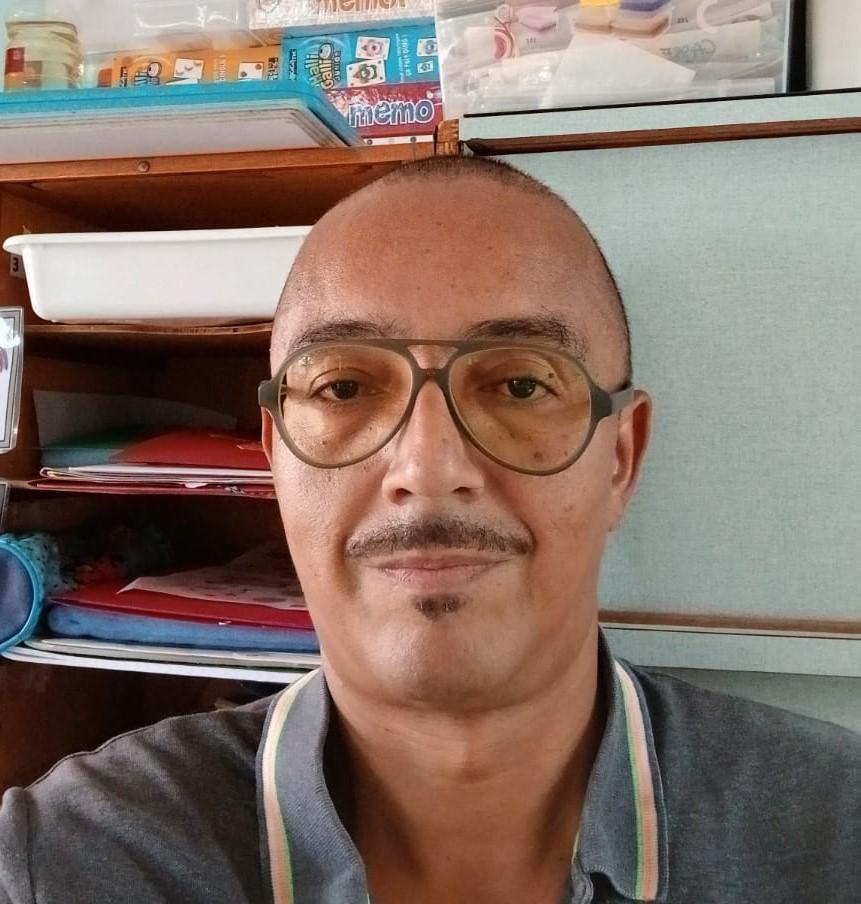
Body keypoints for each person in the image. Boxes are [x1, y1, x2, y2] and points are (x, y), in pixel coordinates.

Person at [0, 156, 858, 904]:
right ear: (275, 458)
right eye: (343, 388)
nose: (427, 464)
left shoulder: (832, 837)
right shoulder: (69, 859)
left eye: (520, 385)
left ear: (620, 460)